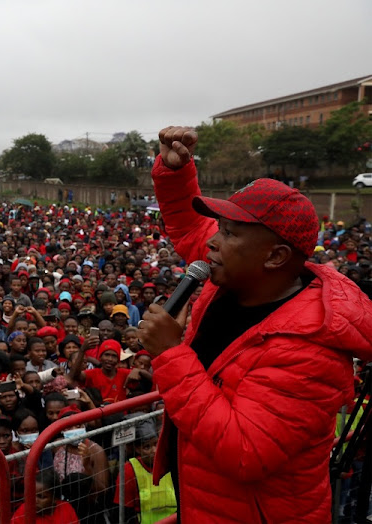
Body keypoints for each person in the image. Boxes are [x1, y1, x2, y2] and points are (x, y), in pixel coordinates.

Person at [136, 126, 372, 523]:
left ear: (276, 256)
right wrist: (176, 173)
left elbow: (246, 451)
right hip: (207, 501)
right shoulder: (238, 275)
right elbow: (191, 227)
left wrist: (171, 354)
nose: (212, 241)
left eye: (228, 233)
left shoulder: (311, 347)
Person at [11, 468, 79, 524]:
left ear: (54, 498)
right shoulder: (23, 511)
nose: (34, 500)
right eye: (31, 495)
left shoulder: (66, 508)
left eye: (41, 497)